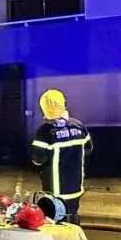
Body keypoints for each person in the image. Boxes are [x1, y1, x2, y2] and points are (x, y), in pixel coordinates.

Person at [30, 89, 92, 224]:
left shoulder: (45, 131)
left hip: (54, 191)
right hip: (76, 187)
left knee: (54, 222)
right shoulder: (78, 125)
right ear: (63, 103)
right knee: (73, 215)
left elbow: (37, 159)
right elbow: (88, 148)